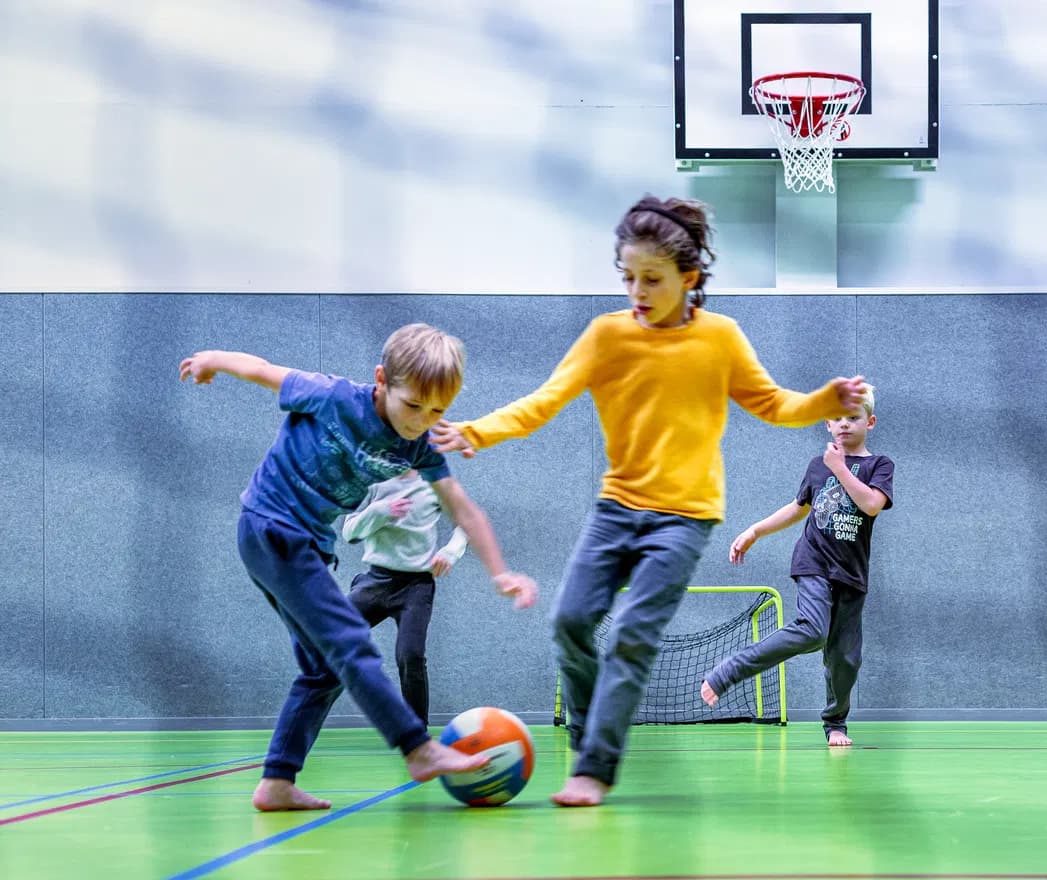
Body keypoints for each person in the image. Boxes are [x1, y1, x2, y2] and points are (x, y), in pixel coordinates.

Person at [431, 195, 866, 806]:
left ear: (689, 279)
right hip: (617, 509)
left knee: (635, 634)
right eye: (628, 276)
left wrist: (826, 399)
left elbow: (774, 405)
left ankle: (595, 768)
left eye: (652, 279)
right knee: (570, 623)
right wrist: (473, 432)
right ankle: (588, 736)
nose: (637, 290)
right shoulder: (606, 336)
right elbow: (544, 400)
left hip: (685, 518)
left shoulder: (721, 339)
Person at [179, 323, 538, 811]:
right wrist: (212, 358)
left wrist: (500, 572)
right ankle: (417, 747)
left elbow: (462, 507)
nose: (421, 421)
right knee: (351, 641)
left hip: (302, 544)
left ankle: (277, 782)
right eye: (413, 406)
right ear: (382, 381)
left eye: (437, 411)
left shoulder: (419, 444)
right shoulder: (331, 397)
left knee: (322, 669)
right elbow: (262, 370)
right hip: (272, 528)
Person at [701, 385, 892, 748]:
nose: (845, 424)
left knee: (845, 659)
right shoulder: (818, 467)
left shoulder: (878, 466)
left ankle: (836, 723)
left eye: (853, 418)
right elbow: (799, 506)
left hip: (851, 574)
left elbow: (870, 505)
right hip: (814, 562)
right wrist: (755, 530)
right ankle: (730, 671)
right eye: (837, 418)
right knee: (812, 631)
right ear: (827, 423)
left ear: (870, 421)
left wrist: (841, 469)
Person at [342, 469, 471, 726]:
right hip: (375, 582)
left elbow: (466, 523)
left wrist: (450, 552)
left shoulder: (434, 481)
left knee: (410, 655)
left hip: (415, 587)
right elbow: (349, 532)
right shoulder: (369, 479)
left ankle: (418, 735)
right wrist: (380, 511)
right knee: (328, 640)